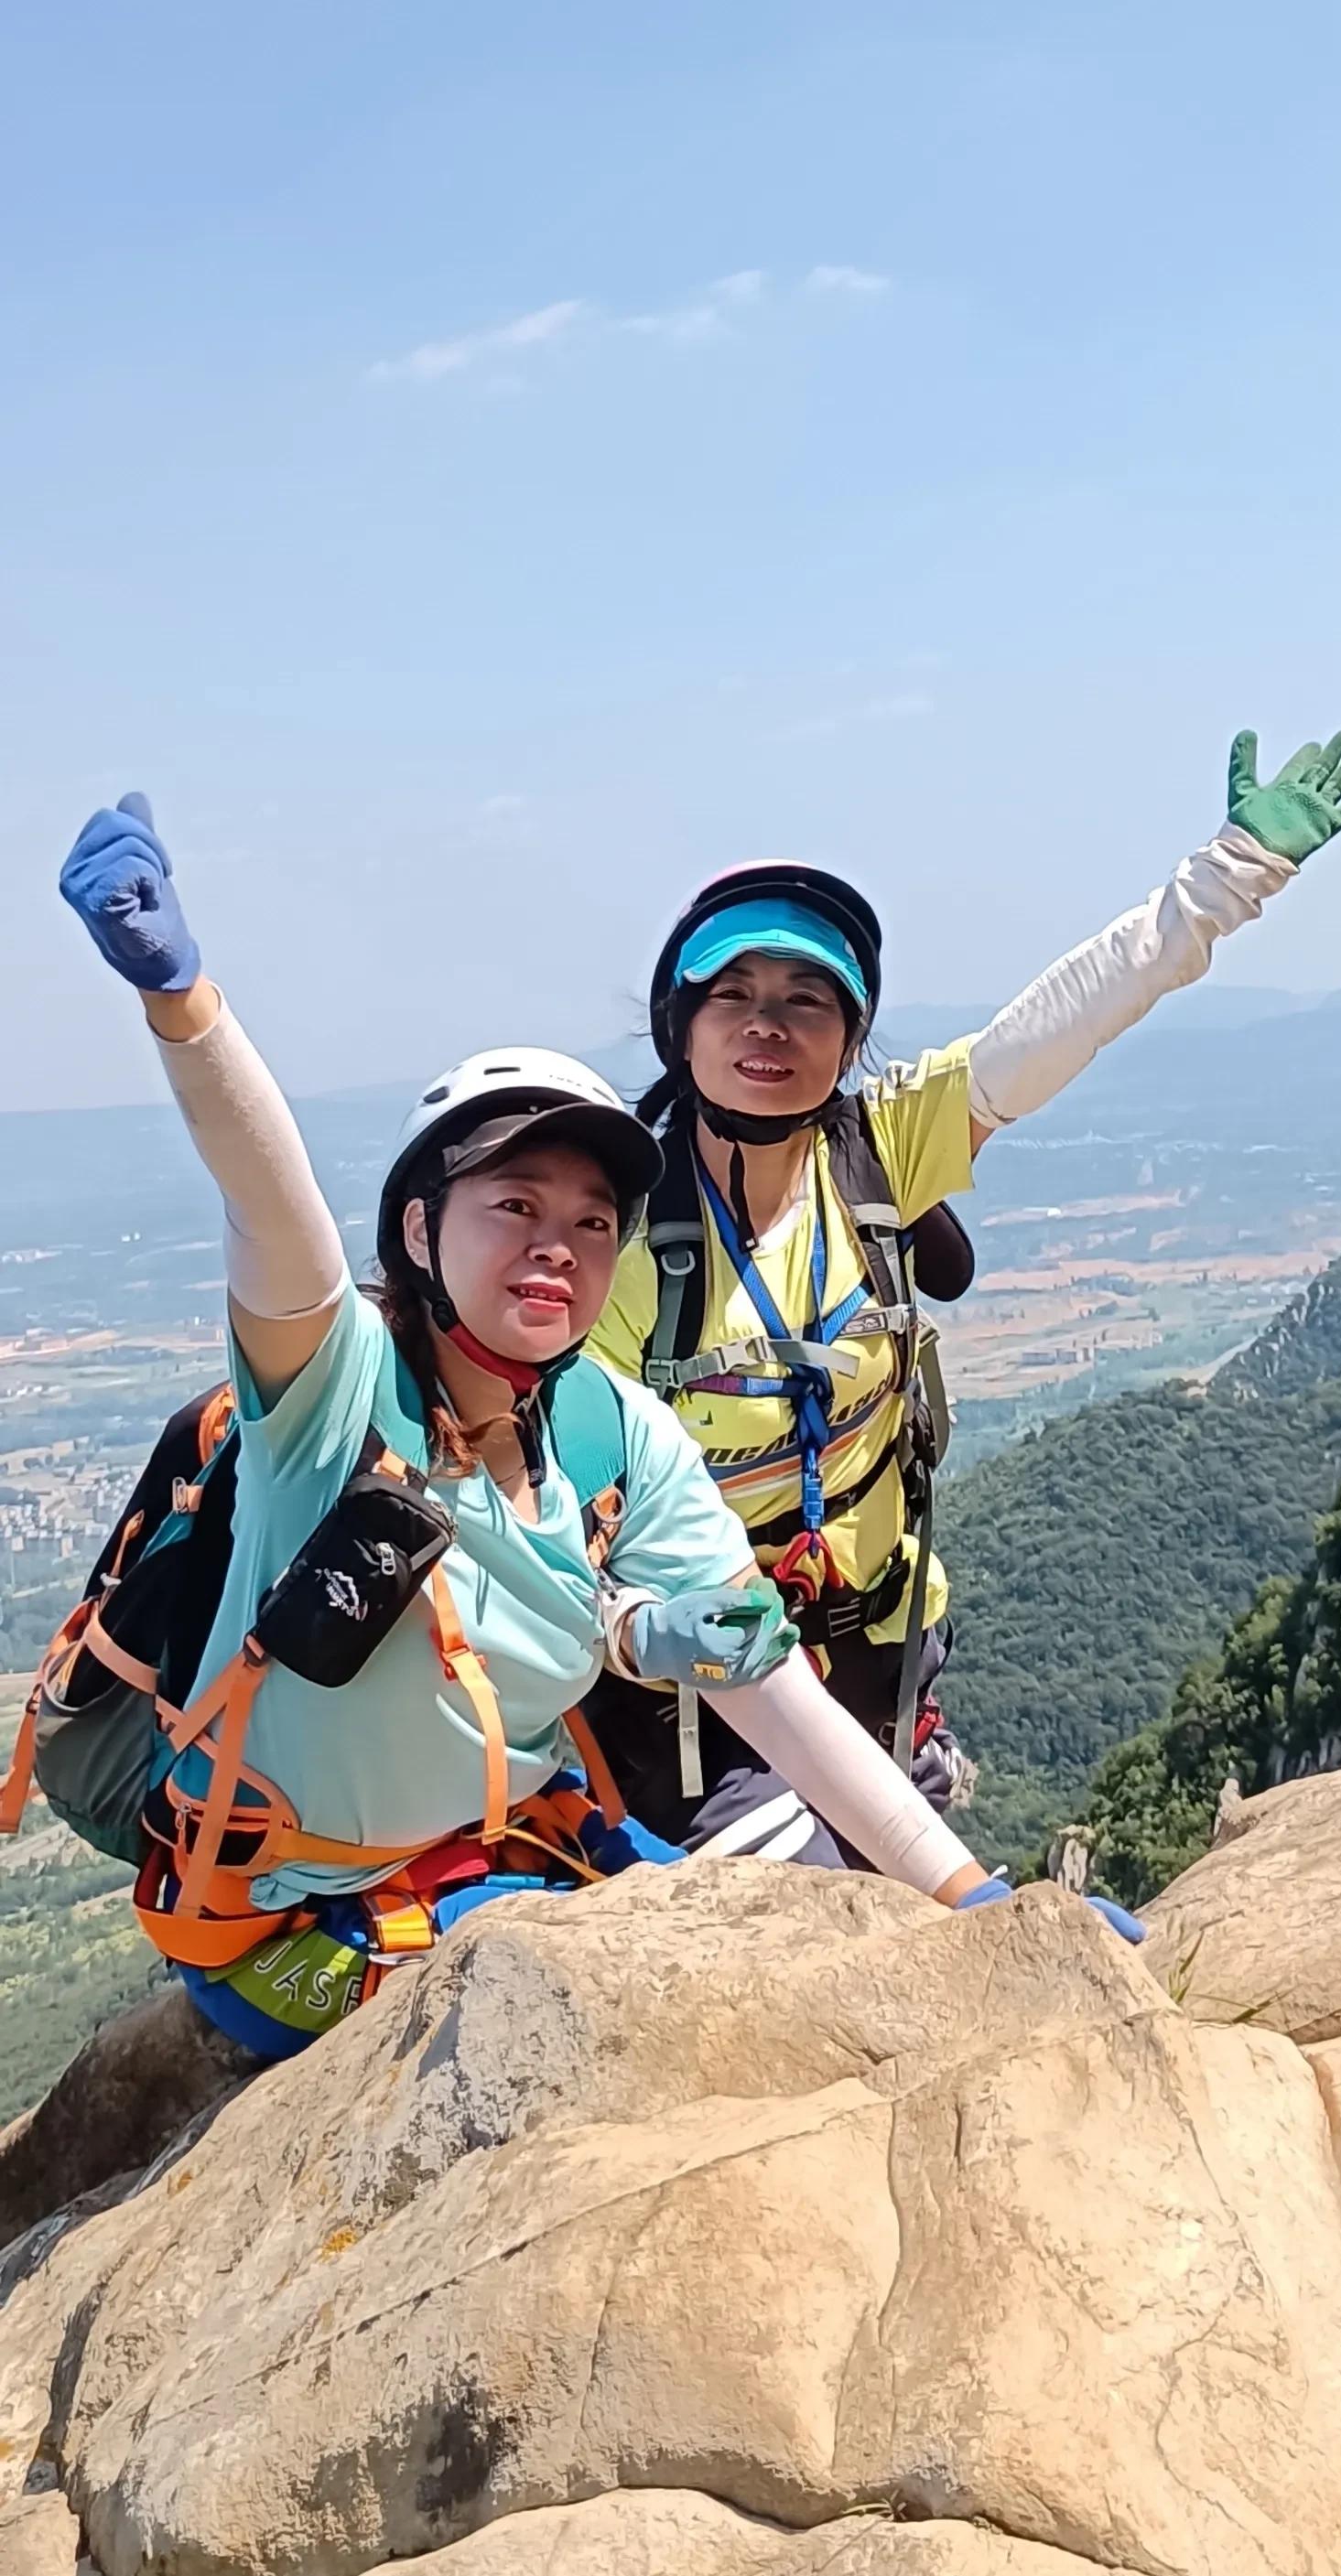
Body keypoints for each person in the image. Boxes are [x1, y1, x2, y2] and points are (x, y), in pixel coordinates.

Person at [53, 789, 1095, 2064]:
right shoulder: (335, 1395)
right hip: (298, 1924)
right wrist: (185, 1006)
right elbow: (274, 1216)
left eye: (594, 1220)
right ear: (421, 1229)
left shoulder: (613, 1433)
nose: (559, 1244)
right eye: (512, 1202)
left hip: (517, 1862)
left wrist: (970, 1902)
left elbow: (770, 1688)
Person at [585, 728, 1341, 1860]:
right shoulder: (609, 1226)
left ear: (852, 1037)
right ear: (683, 1024)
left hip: (883, 1638)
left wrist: (1227, 880)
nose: (768, 1023)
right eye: (735, 995)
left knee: (893, 1890)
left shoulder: (879, 1151)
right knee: (834, 1922)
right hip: (697, 1685)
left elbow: (1055, 1027)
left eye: (809, 1000)